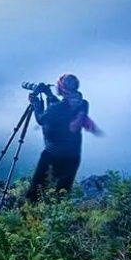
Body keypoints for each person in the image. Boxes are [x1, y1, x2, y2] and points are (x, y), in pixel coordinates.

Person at [26, 74, 100, 202]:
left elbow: (41, 119)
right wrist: (49, 95)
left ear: (62, 88)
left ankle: (31, 210)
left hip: (52, 155)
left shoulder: (56, 109)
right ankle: (59, 213)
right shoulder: (83, 104)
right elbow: (63, 111)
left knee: (35, 193)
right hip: (73, 156)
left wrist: (36, 105)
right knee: (62, 194)